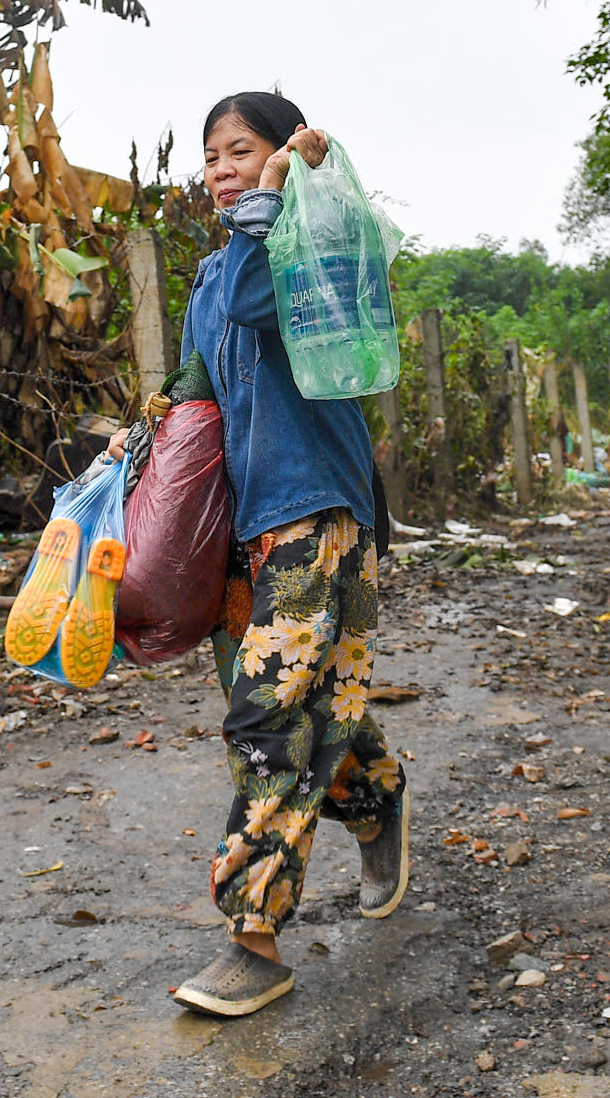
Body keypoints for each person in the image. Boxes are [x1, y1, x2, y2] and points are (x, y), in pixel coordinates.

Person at [108, 92, 407, 1017]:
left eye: (243, 151)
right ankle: (377, 798)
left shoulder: (318, 242)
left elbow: (252, 299)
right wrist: (138, 438)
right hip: (243, 529)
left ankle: (255, 938)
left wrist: (276, 195)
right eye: (210, 158)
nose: (221, 169)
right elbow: (196, 385)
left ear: (285, 156)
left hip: (318, 512)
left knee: (268, 715)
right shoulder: (212, 270)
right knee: (319, 700)